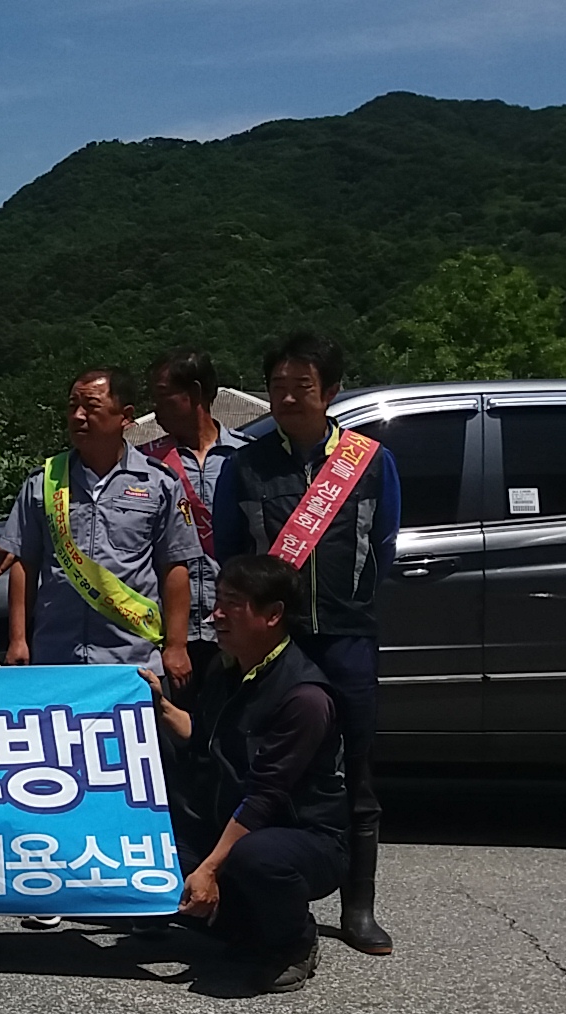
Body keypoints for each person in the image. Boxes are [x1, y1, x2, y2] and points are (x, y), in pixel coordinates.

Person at [213, 332, 400, 956]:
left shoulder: (370, 461)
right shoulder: (246, 465)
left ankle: (358, 905)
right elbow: (231, 551)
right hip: (275, 641)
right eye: (279, 387)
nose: (289, 398)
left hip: (346, 634)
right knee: (256, 763)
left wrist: (352, 602)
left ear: (332, 392)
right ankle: (252, 890)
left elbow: (383, 546)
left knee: (355, 770)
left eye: (303, 387)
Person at [140, 554, 349, 993]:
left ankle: (294, 942)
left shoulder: (305, 698)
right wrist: (159, 707)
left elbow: (264, 798)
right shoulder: (226, 667)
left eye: (231, 604)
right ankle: (245, 928)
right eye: (217, 602)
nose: (215, 615)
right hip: (232, 820)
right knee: (150, 856)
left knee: (255, 859)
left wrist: (209, 868)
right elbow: (202, 737)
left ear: (272, 615)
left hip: (300, 836)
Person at [0, 368, 201, 681]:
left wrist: (176, 645)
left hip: (132, 659)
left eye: (91, 406)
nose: (77, 416)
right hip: (57, 657)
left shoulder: (159, 483)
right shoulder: (43, 482)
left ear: (125, 416)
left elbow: (174, 566)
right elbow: (25, 563)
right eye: (72, 406)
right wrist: (18, 639)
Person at [141, 349, 250, 671]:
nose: (155, 409)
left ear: (195, 393)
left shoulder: (248, 457)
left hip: (236, 628)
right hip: (168, 633)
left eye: (163, 396)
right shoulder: (146, 464)